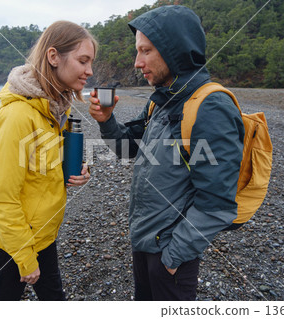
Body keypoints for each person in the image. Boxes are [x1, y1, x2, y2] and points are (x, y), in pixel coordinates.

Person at [89, 6, 244, 301]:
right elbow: (124, 149)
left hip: (170, 254)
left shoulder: (210, 107)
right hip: (144, 242)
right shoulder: (162, 101)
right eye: (138, 51)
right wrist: (106, 120)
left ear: (174, 50)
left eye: (145, 51)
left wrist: (173, 258)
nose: (137, 62)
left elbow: (218, 203)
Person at [0, 20, 96, 301]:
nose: (89, 71)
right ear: (54, 56)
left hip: (43, 236)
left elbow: (46, 170)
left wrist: (80, 170)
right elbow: (2, 198)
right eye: (83, 61)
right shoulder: (18, 115)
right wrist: (25, 257)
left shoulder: (54, 109)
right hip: (8, 245)